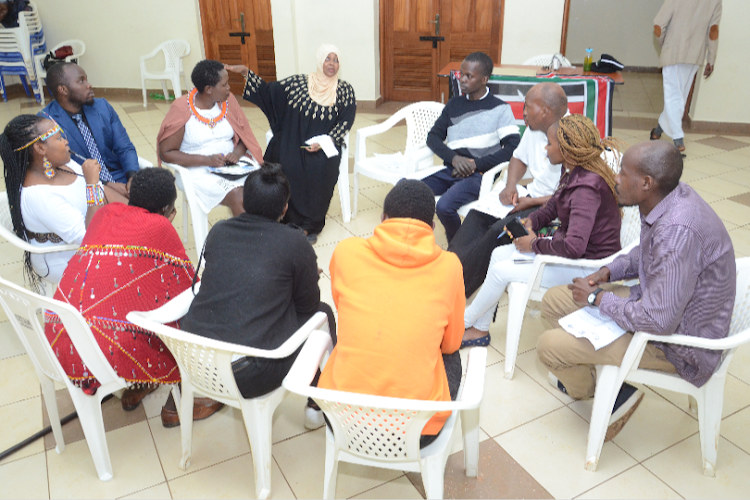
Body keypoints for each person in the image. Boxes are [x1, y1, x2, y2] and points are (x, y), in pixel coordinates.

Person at [537, 140, 735, 440]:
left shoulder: (677, 230)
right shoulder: (668, 198)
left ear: (646, 183)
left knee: (549, 347)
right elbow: (644, 251)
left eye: (622, 173)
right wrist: (607, 272)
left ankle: (600, 393)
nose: (615, 178)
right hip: (656, 307)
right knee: (554, 301)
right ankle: (609, 387)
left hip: (677, 346)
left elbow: (658, 322)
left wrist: (597, 298)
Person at [43, 167, 222, 425]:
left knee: (135, 293)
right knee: (189, 306)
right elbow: (188, 285)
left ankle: (141, 381)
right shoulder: (160, 225)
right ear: (167, 211)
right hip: (102, 351)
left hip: (59, 338)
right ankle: (181, 399)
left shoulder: (104, 214)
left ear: (130, 194)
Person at [180, 163, 336, 428]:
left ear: (244, 199)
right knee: (324, 313)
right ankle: (318, 404)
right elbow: (307, 308)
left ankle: (318, 399)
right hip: (248, 374)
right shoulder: (296, 243)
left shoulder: (218, 231)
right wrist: (304, 274)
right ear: (285, 208)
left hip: (196, 361)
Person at [318, 180, 464, 447]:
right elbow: (451, 343)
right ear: (432, 228)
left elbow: (344, 310)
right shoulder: (450, 266)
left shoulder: (346, 251)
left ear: (382, 218)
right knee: (451, 352)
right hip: (417, 432)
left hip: (343, 419)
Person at [462, 115, 622, 347]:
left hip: (588, 267)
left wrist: (534, 244)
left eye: (549, 143)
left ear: (566, 150)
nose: (545, 148)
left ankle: (463, 322)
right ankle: (479, 330)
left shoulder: (586, 189)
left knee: (501, 272)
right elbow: (551, 208)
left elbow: (574, 247)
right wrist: (532, 222)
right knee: (497, 255)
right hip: (572, 254)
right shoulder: (573, 173)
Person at [226, 44, 356, 244]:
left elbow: (346, 121)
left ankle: (308, 226)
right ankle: (278, 216)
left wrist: (326, 141)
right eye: (327, 59)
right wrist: (247, 74)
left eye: (336, 59)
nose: (331, 64)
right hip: (292, 138)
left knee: (320, 168)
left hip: (323, 145)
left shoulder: (345, 90)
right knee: (284, 162)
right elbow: (270, 92)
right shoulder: (299, 83)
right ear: (320, 60)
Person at [449, 82, 569, 296]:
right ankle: (444, 274)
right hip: (528, 195)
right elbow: (518, 158)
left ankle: (456, 292)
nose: (522, 113)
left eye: (527, 107)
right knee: (477, 216)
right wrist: (510, 185)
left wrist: (531, 202)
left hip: (554, 209)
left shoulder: (571, 136)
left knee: (499, 231)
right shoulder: (536, 127)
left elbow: (572, 194)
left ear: (544, 112)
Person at [0, 114, 127, 291]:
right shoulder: (39, 196)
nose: (66, 141)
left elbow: (102, 191)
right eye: (59, 138)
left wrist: (137, 210)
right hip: (64, 258)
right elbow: (89, 240)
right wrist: (91, 184)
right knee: (139, 258)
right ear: (40, 148)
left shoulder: (61, 164)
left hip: (93, 232)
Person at [422, 51, 520, 243]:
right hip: (451, 169)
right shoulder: (453, 105)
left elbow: (512, 147)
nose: (462, 80)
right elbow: (433, 137)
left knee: (444, 207)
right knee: (407, 190)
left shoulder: (500, 109)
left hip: (479, 176)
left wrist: (476, 164)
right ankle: (420, 241)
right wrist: (454, 159)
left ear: (484, 79)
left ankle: (458, 247)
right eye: (461, 74)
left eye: (469, 76)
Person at [157, 59, 264, 218]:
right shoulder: (182, 108)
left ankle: (271, 231)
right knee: (238, 195)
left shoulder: (228, 101)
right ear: (208, 89)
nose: (229, 88)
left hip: (233, 165)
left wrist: (236, 153)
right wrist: (207, 160)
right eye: (224, 85)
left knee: (270, 184)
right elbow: (166, 153)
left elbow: (244, 137)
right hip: (196, 171)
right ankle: (252, 240)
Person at [43, 62, 138, 197]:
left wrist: (132, 178)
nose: (89, 85)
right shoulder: (47, 123)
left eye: (86, 79)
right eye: (81, 81)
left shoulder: (102, 107)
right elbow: (63, 170)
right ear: (63, 90)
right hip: (83, 188)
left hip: (119, 177)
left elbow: (124, 147)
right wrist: (106, 185)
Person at [650, 0, 722, 152]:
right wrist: (711, 59)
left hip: (673, 52)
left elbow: (658, 26)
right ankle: (657, 132)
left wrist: (665, 45)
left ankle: (678, 138)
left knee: (673, 97)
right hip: (694, 56)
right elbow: (713, 30)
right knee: (678, 97)